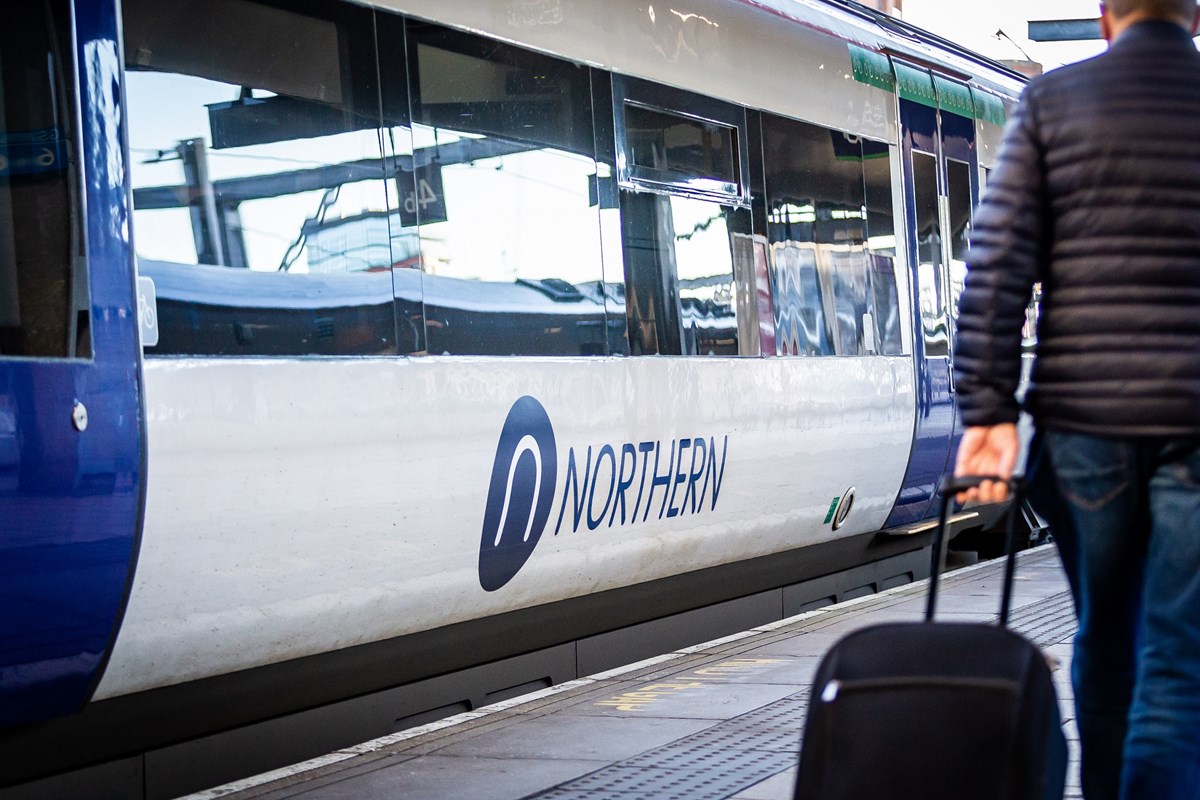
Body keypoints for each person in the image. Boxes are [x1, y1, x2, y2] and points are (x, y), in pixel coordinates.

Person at [952, 1, 1200, 798]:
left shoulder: (1052, 103)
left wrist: (988, 411)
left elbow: (995, 264)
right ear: (1194, 18)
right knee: (1176, 655)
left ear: (1104, 18)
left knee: (1104, 634)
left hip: (1084, 427)